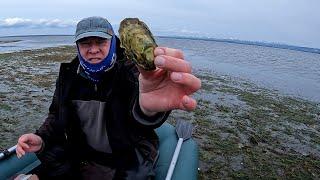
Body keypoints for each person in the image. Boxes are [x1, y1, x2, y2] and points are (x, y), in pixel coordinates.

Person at [15, 16, 201, 179]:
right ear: (77, 47)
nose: (93, 49)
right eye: (86, 43)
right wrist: (41, 138)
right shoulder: (69, 76)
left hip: (128, 156)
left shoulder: (133, 73)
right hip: (83, 153)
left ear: (113, 42)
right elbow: (56, 115)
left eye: (100, 42)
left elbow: (143, 115)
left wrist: (148, 111)